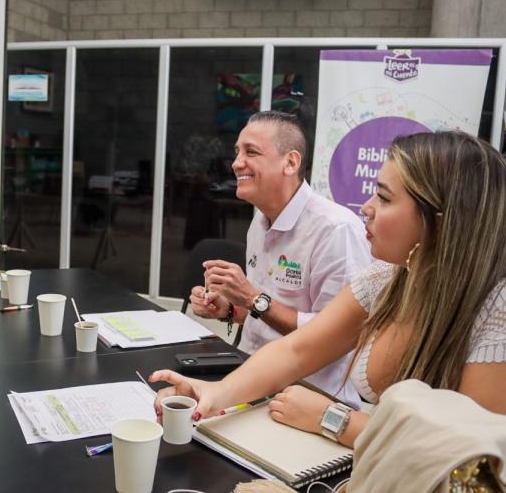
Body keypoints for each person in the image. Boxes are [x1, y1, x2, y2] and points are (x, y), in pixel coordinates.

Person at [152, 131, 506, 449]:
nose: (366, 208)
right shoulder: (388, 275)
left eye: (384, 198)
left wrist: (333, 418)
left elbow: (462, 451)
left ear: (440, 223)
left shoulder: (496, 312)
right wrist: (215, 393)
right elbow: (297, 350)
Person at [192, 111, 371, 405]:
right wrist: (229, 309)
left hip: (308, 399)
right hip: (250, 382)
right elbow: (264, 315)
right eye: (237, 152)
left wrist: (252, 298)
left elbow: (336, 337)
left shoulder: (336, 230)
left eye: (251, 152)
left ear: (290, 162)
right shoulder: (260, 221)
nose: (236, 163)